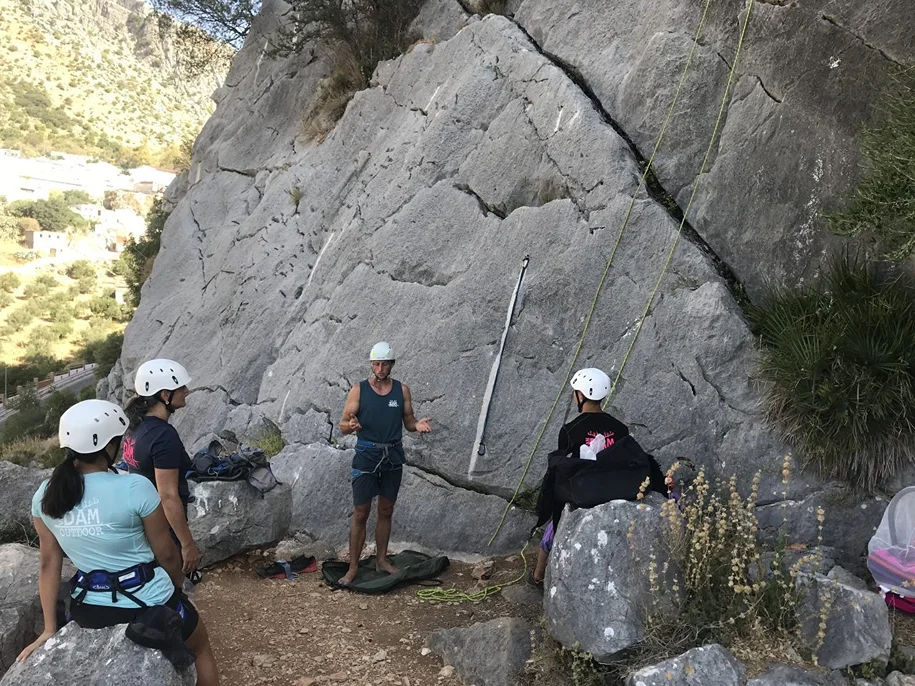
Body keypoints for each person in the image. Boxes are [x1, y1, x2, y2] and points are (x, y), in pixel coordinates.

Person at [17, 399, 219, 685]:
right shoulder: (134, 487)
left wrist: (50, 629)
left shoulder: (45, 494)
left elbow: (49, 563)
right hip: (146, 602)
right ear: (109, 446)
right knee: (201, 647)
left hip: (88, 610)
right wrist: (176, 589)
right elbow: (167, 555)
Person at [532, 368, 666, 584]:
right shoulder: (619, 427)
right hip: (616, 488)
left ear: (581, 395)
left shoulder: (569, 430)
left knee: (552, 529)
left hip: (584, 491)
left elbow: (564, 467)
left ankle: (538, 575)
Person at [337, 341, 432, 587]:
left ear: (392, 365)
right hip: (366, 455)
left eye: (384, 364)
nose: (380, 369)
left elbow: (408, 421)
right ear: (371, 365)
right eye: (376, 364)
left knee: (386, 510)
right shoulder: (359, 390)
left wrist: (417, 425)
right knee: (361, 512)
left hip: (392, 455)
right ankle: (353, 567)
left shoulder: (402, 391)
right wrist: (351, 426)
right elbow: (343, 425)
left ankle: (381, 560)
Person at [121, 359, 201, 581]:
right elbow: (167, 495)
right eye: (181, 387)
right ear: (165, 395)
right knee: (174, 584)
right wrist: (187, 544)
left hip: (143, 521)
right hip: (164, 525)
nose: (186, 391)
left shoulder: (135, 427)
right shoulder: (163, 436)